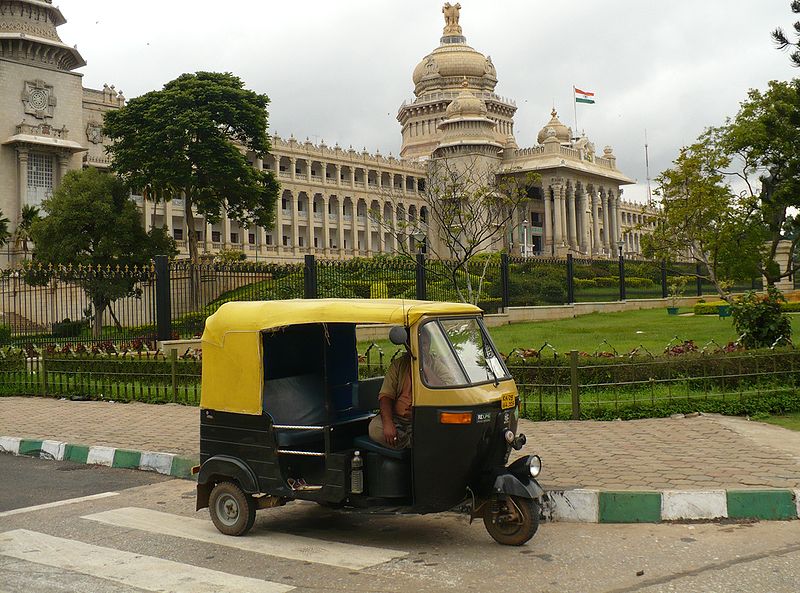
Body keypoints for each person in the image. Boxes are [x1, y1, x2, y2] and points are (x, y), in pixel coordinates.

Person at [368, 327, 456, 449]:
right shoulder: (398, 365)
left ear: (429, 344)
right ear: (408, 345)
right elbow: (385, 396)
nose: (421, 347)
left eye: (424, 344)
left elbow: (445, 391)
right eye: (417, 344)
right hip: (397, 418)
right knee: (375, 429)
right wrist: (388, 424)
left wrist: (423, 365)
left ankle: (416, 444)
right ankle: (413, 444)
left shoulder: (436, 365)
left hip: (423, 419)